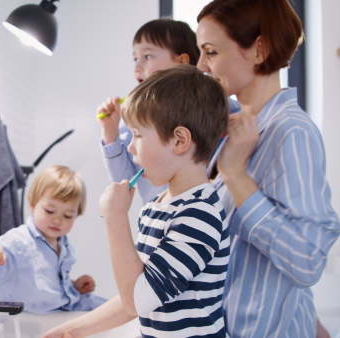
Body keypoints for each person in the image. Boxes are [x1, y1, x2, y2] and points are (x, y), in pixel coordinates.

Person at [44, 64, 231, 337]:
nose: (130, 146)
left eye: (138, 135)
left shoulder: (199, 215)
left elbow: (136, 300)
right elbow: (141, 293)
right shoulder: (158, 206)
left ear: (179, 140)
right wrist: (70, 330)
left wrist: (115, 216)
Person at [195, 0, 340, 336]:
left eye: (211, 52)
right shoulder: (234, 128)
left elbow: (307, 261)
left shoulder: (292, 132)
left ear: (259, 49)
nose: (202, 65)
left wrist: (235, 176)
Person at [0, 165, 107, 314]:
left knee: (113, 310)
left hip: (64, 308)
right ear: (32, 204)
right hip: (29, 321)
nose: (57, 220)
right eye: (49, 211)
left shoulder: (63, 244)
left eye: (67, 215)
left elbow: (52, 281)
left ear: (77, 215)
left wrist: (74, 286)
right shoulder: (18, 242)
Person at [97, 18, 202, 203]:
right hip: (155, 221)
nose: (137, 67)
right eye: (135, 58)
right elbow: (125, 180)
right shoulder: (133, 119)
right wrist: (110, 132)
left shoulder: (210, 109)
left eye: (147, 56)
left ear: (182, 61)